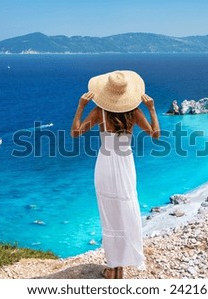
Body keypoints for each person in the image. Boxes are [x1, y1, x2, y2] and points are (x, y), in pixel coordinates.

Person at [71, 70, 160, 279]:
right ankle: (122, 265)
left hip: (105, 166)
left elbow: (75, 133)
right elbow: (156, 135)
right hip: (126, 165)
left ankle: (114, 267)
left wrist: (81, 106)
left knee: (109, 215)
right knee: (125, 208)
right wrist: (152, 109)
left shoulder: (99, 112)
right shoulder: (135, 113)